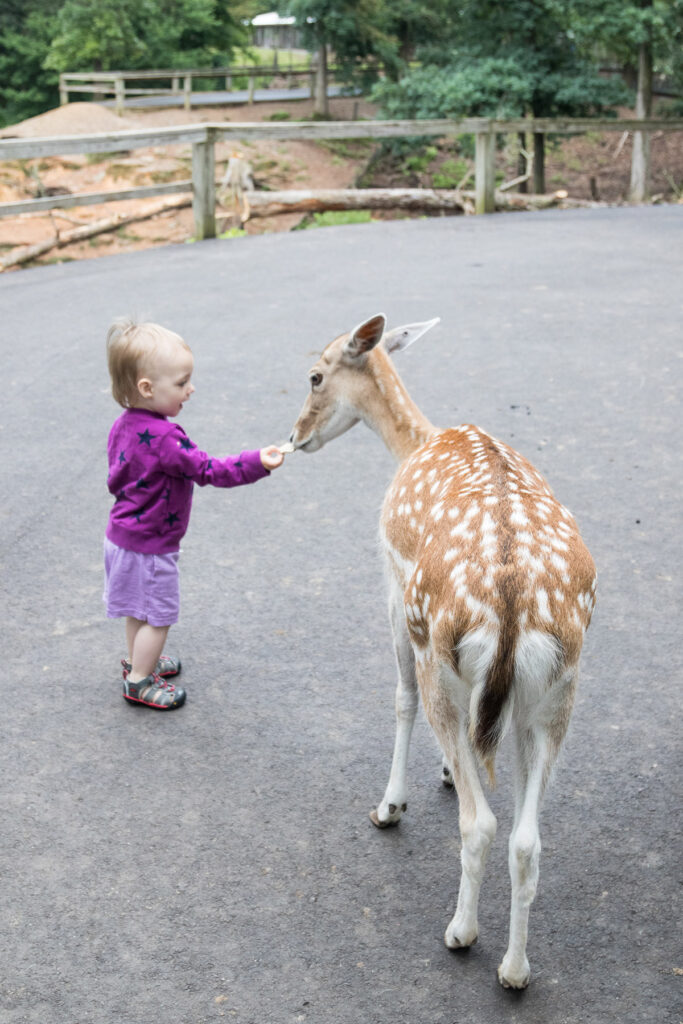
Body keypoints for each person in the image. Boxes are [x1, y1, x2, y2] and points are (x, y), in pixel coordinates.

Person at [103, 317, 285, 711]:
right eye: (182, 382)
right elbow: (210, 470)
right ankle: (138, 681)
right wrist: (258, 462)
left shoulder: (123, 425)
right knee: (159, 616)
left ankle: (140, 660)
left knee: (138, 608)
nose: (191, 389)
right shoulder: (166, 438)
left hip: (122, 536)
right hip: (151, 546)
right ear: (147, 388)